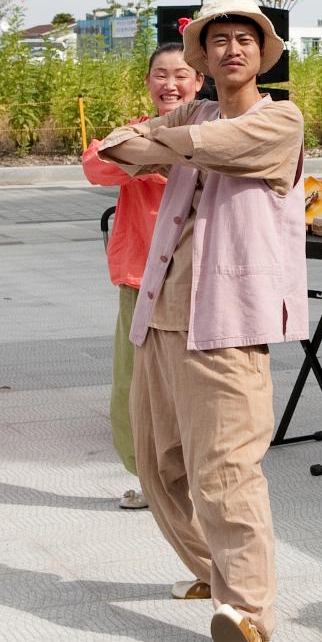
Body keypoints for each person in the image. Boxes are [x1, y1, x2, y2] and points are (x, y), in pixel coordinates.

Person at [97, 0, 307, 642]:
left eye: (245, 38)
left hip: (228, 320)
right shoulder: (198, 111)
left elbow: (211, 144)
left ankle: (248, 611)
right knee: (159, 469)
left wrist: (162, 142)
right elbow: (112, 146)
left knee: (225, 469)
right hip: (161, 312)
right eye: (220, 40)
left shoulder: (282, 120)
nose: (233, 48)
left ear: (262, 52)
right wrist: (166, 140)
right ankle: (216, 575)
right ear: (204, 56)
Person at [82, 42, 203, 511]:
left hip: (197, 277)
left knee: (193, 383)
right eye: (160, 75)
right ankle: (148, 478)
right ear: (148, 82)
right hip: (141, 276)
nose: (169, 84)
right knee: (133, 383)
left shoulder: (218, 131)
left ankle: (196, 476)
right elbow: (96, 166)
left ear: (198, 82)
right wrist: (153, 137)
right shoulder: (133, 133)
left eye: (181, 75)